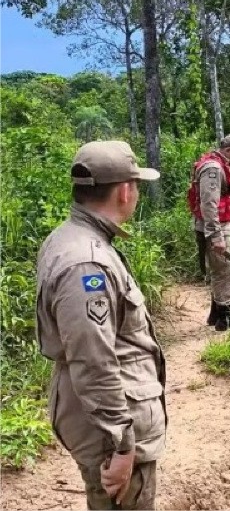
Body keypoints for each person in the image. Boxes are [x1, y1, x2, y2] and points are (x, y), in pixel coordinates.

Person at [36, 141, 166, 510]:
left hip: (98, 412)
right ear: (125, 191)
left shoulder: (68, 238)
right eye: (137, 184)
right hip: (109, 424)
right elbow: (93, 359)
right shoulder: (87, 263)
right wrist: (123, 445)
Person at [187, 133, 230, 331]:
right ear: (228, 150)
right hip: (215, 228)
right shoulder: (214, 169)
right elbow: (209, 204)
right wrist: (217, 236)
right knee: (226, 271)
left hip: (215, 226)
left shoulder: (215, 164)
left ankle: (216, 314)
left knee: (219, 270)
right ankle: (226, 318)